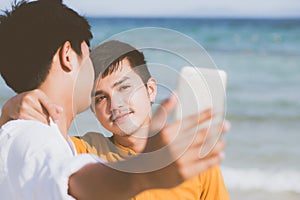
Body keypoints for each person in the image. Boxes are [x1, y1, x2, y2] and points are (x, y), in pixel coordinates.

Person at [0, 1, 227, 200]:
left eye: (125, 88)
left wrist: (7, 115)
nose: (115, 104)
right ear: (68, 56)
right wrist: (144, 175)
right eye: (100, 97)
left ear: (151, 90)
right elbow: (70, 181)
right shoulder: (69, 146)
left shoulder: (55, 143)